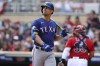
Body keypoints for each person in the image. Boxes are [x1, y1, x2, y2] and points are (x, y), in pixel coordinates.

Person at [31, 2, 68, 66]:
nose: (44, 9)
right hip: (38, 50)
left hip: (50, 51)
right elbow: (34, 36)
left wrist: (62, 36)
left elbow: (54, 38)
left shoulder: (53, 23)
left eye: (47, 7)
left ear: (51, 11)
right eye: (43, 7)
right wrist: (43, 45)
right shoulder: (37, 21)